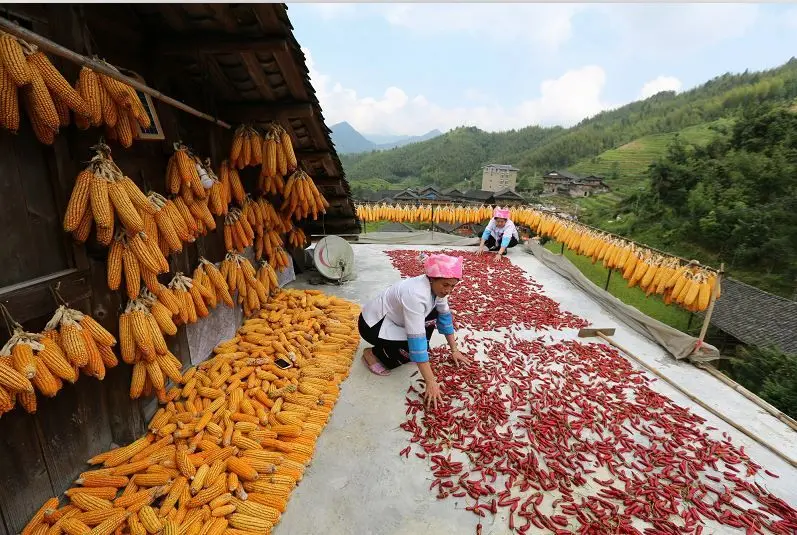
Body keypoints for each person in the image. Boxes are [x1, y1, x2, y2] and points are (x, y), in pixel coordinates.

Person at [358, 253, 471, 408]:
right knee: (410, 350)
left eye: (453, 286)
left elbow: (445, 318)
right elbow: (416, 339)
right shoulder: (416, 295)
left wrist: (454, 350)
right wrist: (431, 382)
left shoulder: (438, 290)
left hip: (395, 319)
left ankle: (404, 351)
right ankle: (372, 354)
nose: (449, 290)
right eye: (445, 285)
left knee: (434, 314)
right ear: (432, 279)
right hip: (372, 325)